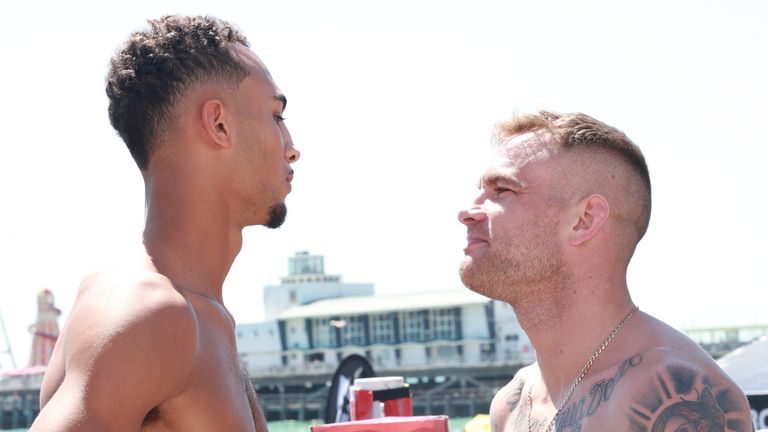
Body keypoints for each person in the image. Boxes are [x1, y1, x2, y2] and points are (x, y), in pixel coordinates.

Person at [32, 15, 299, 431]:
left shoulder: (199, 315)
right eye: (276, 116)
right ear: (219, 124)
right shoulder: (149, 312)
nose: (292, 147)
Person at [458, 111, 752, 432]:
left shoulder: (669, 392)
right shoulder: (513, 403)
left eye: (503, 189)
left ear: (584, 220)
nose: (466, 212)